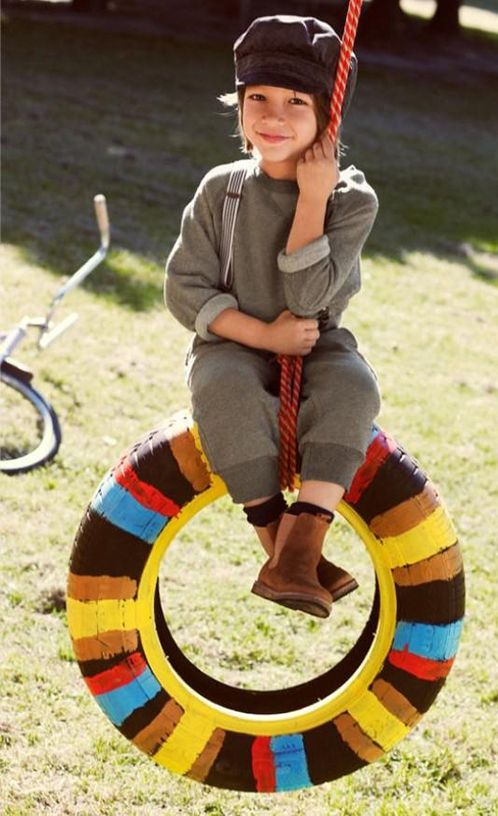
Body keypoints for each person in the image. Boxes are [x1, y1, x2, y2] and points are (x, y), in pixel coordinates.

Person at [164, 16, 381, 620]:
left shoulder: (351, 200)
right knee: (222, 388)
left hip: (318, 342)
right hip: (234, 341)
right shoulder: (220, 191)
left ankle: (301, 546)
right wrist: (261, 334)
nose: (273, 116)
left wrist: (313, 198)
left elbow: (310, 298)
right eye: (255, 97)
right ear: (237, 105)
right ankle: (283, 553)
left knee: (354, 387)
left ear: (327, 118)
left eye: (295, 102)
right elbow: (184, 290)